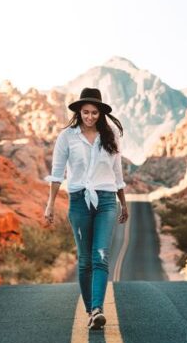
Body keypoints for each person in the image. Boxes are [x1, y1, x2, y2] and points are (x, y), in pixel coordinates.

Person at [44, 87, 129, 330]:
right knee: (85, 261)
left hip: (105, 200)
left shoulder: (110, 134)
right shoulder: (67, 137)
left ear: (100, 113)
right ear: (79, 112)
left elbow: (117, 172)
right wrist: (50, 204)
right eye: (86, 112)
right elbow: (57, 173)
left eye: (94, 113)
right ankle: (91, 310)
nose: (90, 117)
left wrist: (123, 202)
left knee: (100, 256)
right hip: (79, 200)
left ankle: (98, 309)